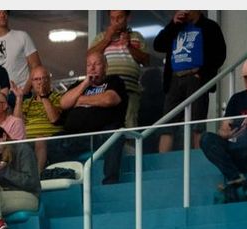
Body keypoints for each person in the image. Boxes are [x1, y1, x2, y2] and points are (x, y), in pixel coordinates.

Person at [153, 11, 226, 154]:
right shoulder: (176, 26)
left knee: (197, 123)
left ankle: (199, 157)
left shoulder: (209, 26)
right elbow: (158, 45)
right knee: (167, 123)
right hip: (175, 78)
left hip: (196, 77)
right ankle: (163, 159)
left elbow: (219, 54)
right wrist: (173, 24)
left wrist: (202, 73)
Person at [201, 56, 247, 202]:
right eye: (246, 78)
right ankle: (236, 178)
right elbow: (223, 129)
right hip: (242, 150)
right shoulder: (237, 99)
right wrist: (226, 134)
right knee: (206, 138)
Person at [50, 51, 126, 185]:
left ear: (105, 67)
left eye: (97, 64)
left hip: (101, 135)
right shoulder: (78, 85)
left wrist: (80, 100)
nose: (92, 68)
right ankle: (61, 181)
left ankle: (110, 183)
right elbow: (64, 103)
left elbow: (109, 99)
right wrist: (85, 84)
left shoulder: (114, 81)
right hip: (76, 136)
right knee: (53, 141)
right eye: (89, 65)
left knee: (114, 135)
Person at [89, 10, 150, 129]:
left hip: (129, 90)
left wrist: (129, 45)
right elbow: (90, 57)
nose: (115, 21)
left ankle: (130, 141)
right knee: (106, 124)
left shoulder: (136, 36)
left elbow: (146, 61)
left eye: (119, 17)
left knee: (129, 124)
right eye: (112, 18)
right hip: (106, 91)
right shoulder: (101, 37)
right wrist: (106, 39)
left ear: (128, 18)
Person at [14, 66, 63, 170]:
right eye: (36, 79)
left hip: (50, 141)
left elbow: (54, 119)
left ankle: (38, 175)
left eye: (43, 78)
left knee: (40, 139)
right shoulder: (27, 102)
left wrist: (43, 96)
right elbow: (17, 124)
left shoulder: (58, 97)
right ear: (31, 83)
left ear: (49, 80)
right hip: (27, 142)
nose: (40, 82)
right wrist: (19, 98)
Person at [0, 10, 41, 92]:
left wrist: (25, 91)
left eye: (5, 13)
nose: (2, 15)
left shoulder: (22, 36)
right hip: (0, 96)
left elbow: (36, 67)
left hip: (22, 92)